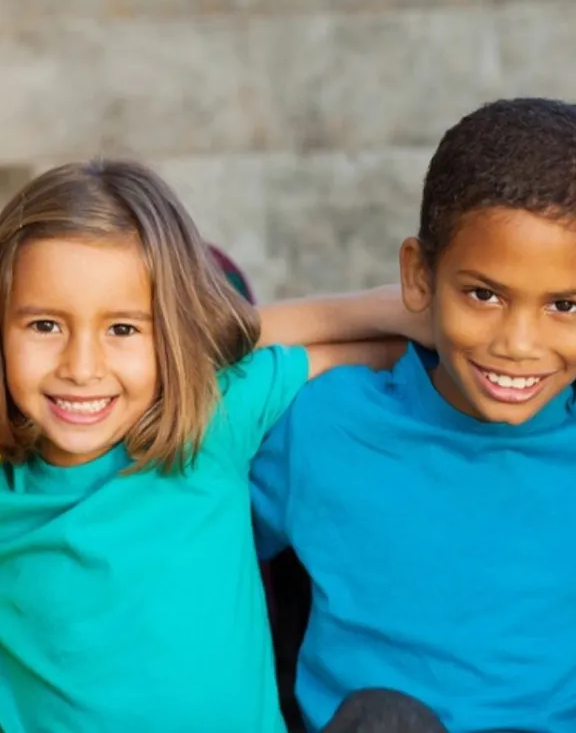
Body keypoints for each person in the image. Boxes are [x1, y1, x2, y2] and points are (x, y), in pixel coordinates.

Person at [0, 159, 427, 733]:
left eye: (123, 328)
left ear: (176, 336)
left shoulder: (212, 419)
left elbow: (392, 346)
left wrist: (387, 306)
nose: (81, 368)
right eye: (45, 325)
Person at [251, 97, 576, 733]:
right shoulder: (326, 425)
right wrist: (367, 313)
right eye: (483, 294)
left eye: (564, 305)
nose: (518, 343)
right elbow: (166, 364)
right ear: (418, 277)